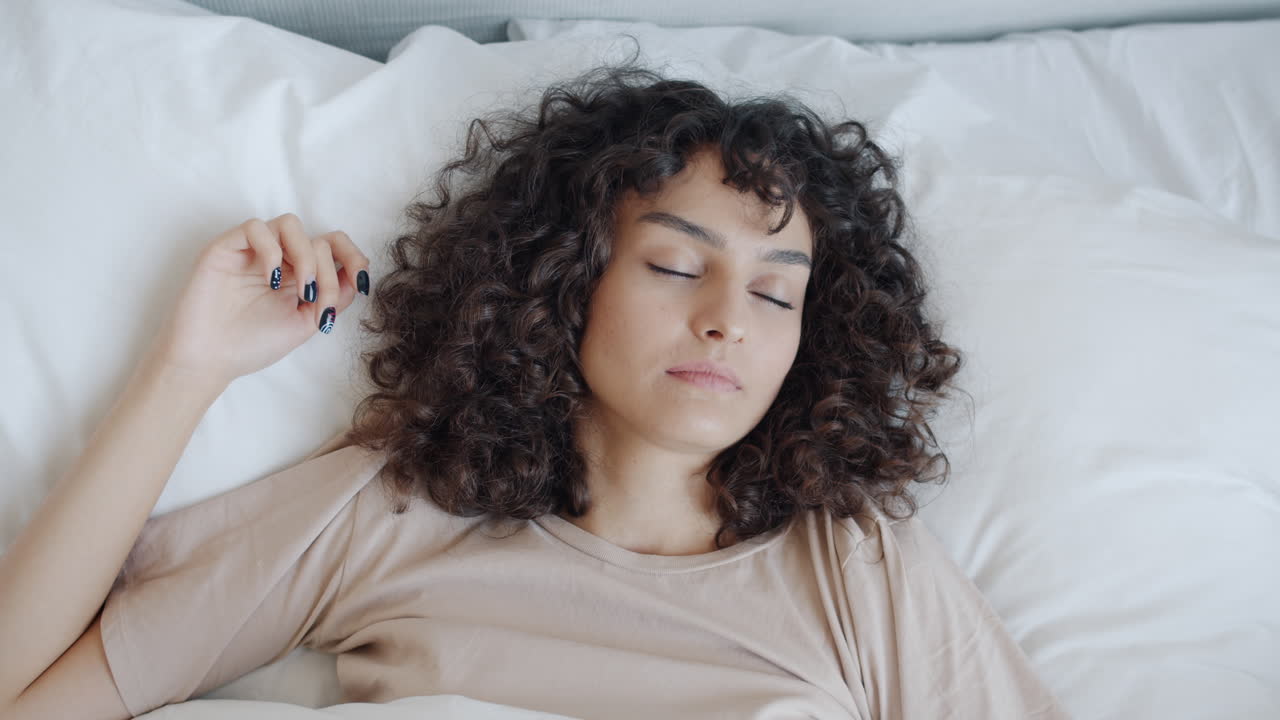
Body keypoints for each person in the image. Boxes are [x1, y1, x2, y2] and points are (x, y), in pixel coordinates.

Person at [0, 61, 1073, 719]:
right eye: (671, 264)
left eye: (776, 294)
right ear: (565, 276)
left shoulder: (857, 566)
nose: (724, 319)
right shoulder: (389, 509)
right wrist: (185, 370)